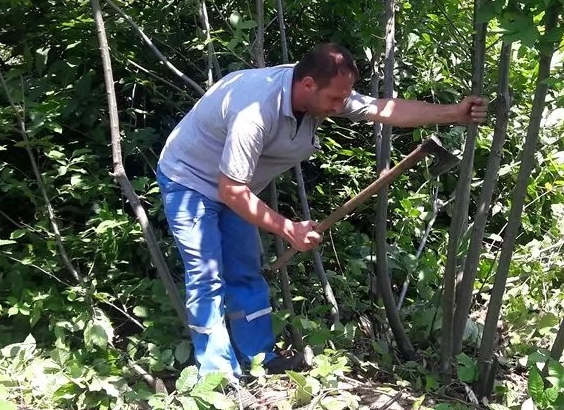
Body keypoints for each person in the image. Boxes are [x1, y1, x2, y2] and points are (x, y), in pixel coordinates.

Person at [156, 43, 486, 379]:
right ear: (308, 85)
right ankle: (217, 377)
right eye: (334, 99)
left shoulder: (324, 92)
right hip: (191, 181)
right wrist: (289, 229)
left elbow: (385, 109)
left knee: (245, 272)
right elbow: (231, 190)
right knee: (207, 276)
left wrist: (453, 113)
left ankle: (260, 359)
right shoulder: (254, 112)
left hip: (238, 188)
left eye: (344, 97)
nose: (340, 106)